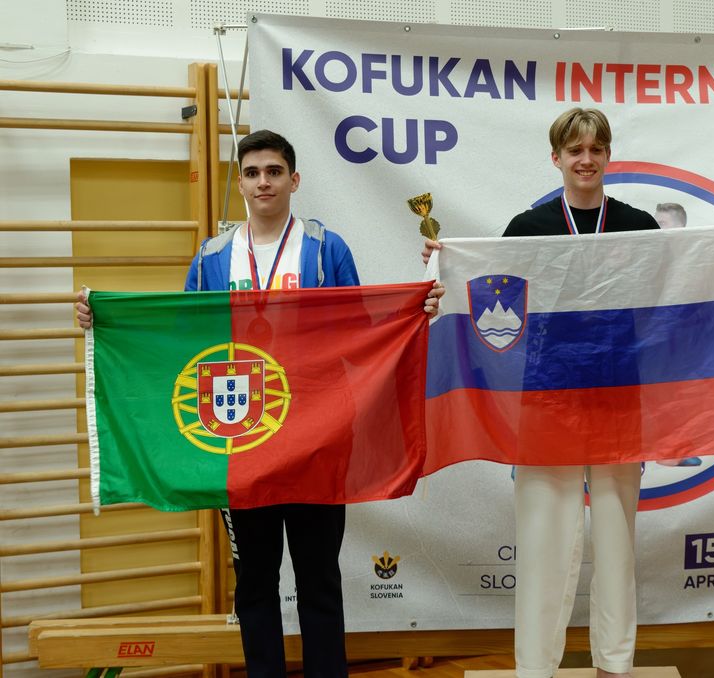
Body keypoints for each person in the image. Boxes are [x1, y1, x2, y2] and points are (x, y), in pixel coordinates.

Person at [77, 129, 443, 678]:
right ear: (242, 184)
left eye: (274, 171)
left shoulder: (326, 247)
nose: (263, 182)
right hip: (241, 437)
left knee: (319, 580)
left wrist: (414, 311)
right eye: (252, 173)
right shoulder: (212, 256)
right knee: (254, 581)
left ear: (294, 180)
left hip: (319, 438)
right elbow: (184, 340)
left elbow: (363, 331)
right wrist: (104, 320)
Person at [422, 108, 714, 678]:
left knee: (615, 542)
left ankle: (615, 663)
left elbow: (679, 291)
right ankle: (535, 668)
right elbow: (491, 299)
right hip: (546, 402)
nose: (586, 160)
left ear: (608, 156)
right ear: (556, 158)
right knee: (543, 543)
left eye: (596, 149)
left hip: (618, 399)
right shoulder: (527, 227)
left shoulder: (636, 224)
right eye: (575, 150)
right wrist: (447, 271)